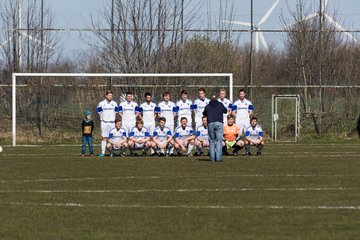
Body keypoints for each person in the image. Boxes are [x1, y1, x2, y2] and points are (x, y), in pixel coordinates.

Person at [203, 95, 227, 162]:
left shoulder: (207, 106)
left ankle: (212, 158)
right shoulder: (220, 104)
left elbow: (204, 113)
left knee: (212, 141)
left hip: (210, 123)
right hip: (219, 123)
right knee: (219, 141)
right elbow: (225, 111)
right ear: (216, 99)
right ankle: (218, 158)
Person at [96, 90, 119, 157]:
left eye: (111, 95)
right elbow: (98, 111)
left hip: (112, 123)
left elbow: (116, 111)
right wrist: (103, 117)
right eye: (109, 95)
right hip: (104, 122)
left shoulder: (114, 103)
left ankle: (111, 152)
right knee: (104, 137)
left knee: (111, 138)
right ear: (106, 96)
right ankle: (103, 152)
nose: (110, 97)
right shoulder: (101, 103)